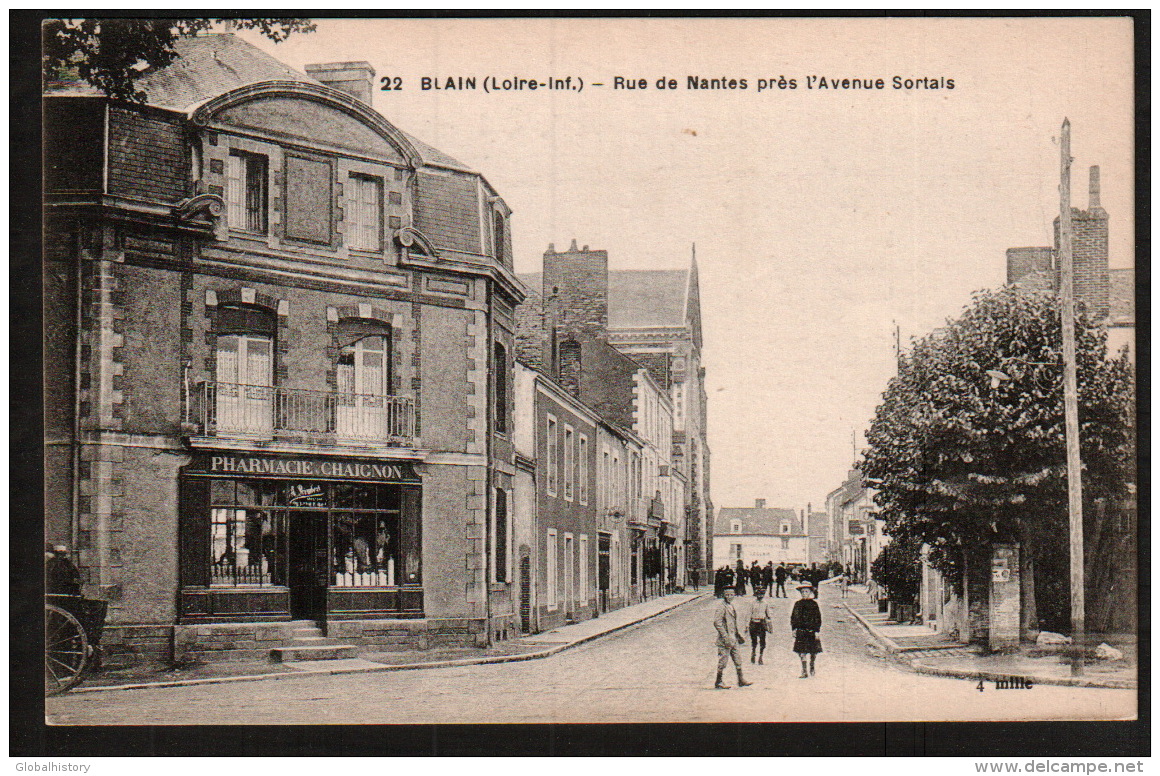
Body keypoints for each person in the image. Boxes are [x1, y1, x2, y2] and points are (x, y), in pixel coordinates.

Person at [713, 588, 753, 689]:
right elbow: (717, 623)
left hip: (734, 638)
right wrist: (725, 636)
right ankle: (718, 681)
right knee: (723, 661)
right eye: (727, 595)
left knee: (738, 659)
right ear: (724, 595)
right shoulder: (721, 607)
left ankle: (741, 680)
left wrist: (738, 635)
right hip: (725, 640)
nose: (729, 597)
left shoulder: (731, 606)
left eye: (731, 594)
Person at [790, 582, 823, 678]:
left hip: (811, 631)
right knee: (801, 651)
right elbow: (793, 617)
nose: (804, 593)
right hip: (801, 631)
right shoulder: (798, 604)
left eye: (806, 591)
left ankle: (812, 665)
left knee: (813, 651)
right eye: (802, 591)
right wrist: (794, 629)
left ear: (810, 592)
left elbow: (818, 618)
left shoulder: (814, 604)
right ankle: (804, 671)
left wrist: (817, 631)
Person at [748, 586, 774, 664]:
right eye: (758, 594)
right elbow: (748, 614)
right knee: (754, 640)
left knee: (762, 641)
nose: (760, 596)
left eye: (762, 594)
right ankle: (753, 653)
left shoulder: (765, 603)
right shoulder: (752, 603)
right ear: (756, 594)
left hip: (761, 623)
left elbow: (768, 615)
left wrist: (770, 626)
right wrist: (746, 625)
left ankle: (761, 656)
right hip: (753, 623)